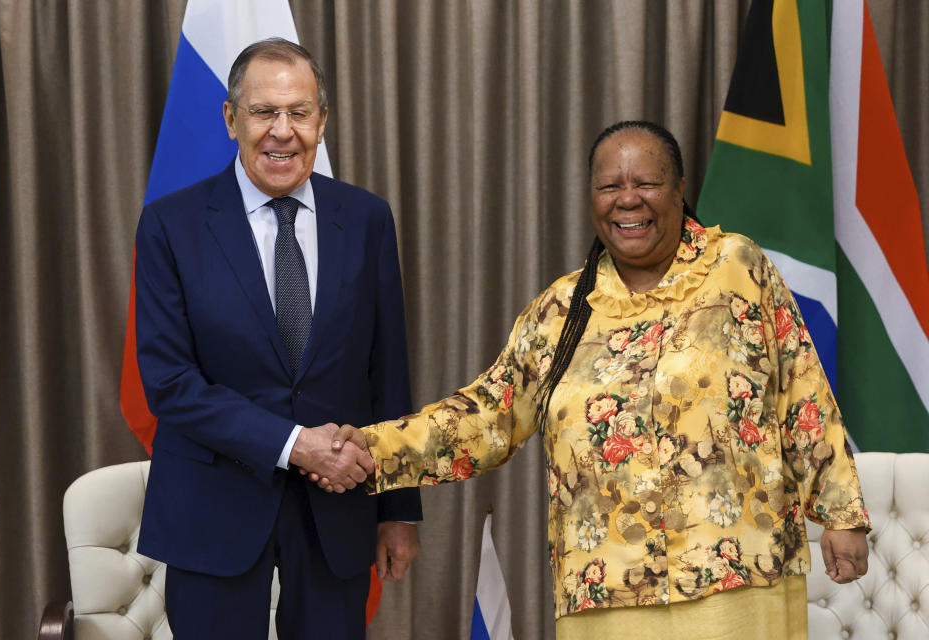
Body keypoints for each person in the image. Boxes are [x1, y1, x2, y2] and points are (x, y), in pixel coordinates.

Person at [323, 121, 869, 639]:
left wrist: (841, 513)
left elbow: (803, 393)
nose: (626, 199)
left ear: (679, 190)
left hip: (737, 577)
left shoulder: (737, 267)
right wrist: (371, 448)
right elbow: (486, 416)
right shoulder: (560, 312)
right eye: (609, 186)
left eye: (646, 182)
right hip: (606, 589)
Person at [133, 38, 422, 640]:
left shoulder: (368, 219)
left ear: (322, 121)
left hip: (336, 514)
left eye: (299, 112)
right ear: (231, 118)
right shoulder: (171, 225)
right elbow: (169, 382)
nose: (282, 131)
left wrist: (398, 510)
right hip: (213, 506)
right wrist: (295, 445)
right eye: (265, 112)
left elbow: (387, 370)